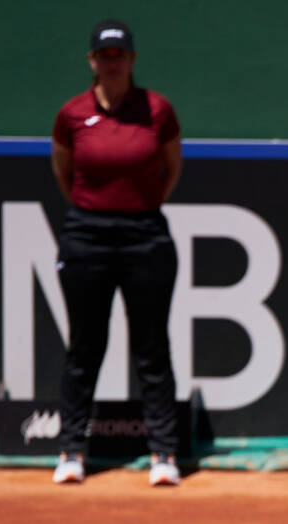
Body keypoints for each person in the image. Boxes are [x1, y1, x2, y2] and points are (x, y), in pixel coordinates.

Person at [48, 18, 185, 488]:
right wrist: (97, 213)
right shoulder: (72, 115)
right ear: (92, 62)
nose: (112, 63)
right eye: (104, 56)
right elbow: (65, 174)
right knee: (85, 346)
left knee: (152, 347)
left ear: (132, 60)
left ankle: (163, 454)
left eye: (119, 55)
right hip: (86, 234)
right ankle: (71, 451)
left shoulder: (157, 110)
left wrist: (139, 210)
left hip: (145, 234)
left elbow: (171, 167)